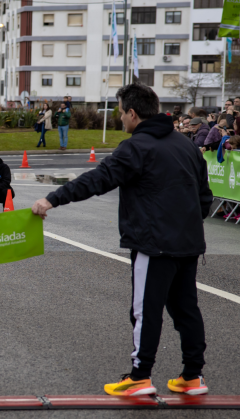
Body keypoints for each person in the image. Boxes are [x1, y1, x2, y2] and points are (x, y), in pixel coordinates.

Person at [32, 82, 212, 397]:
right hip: (188, 244)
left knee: (145, 310)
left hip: (152, 245)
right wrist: (184, 222)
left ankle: (140, 376)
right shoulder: (186, 145)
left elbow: (97, 180)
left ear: (132, 113)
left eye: (120, 112)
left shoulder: (135, 147)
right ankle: (193, 376)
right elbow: (205, 199)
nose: (119, 118)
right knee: (186, 309)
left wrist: (52, 199)